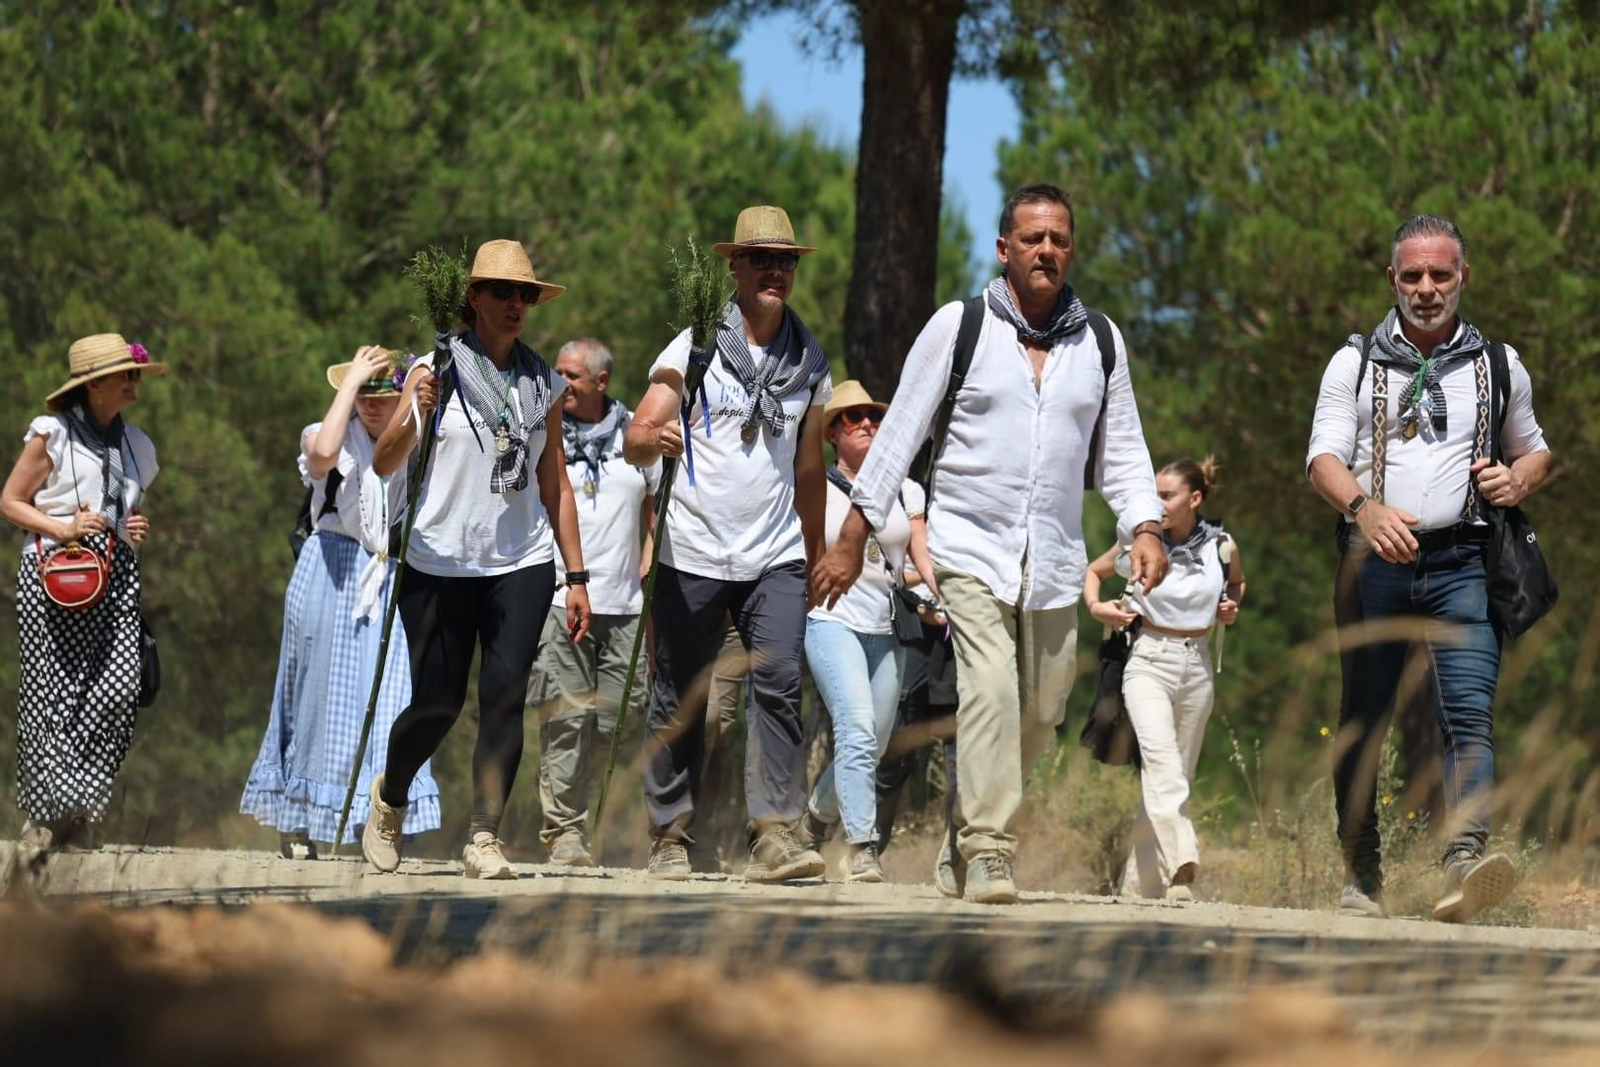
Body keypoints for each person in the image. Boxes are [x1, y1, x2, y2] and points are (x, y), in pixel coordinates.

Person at [812, 183, 1166, 904]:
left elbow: (1124, 450)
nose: (1046, 249)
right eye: (1032, 238)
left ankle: (960, 835)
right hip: (968, 547)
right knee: (992, 694)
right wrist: (852, 534)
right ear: (1004, 248)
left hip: (1054, 560)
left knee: (1041, 710)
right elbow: (901, 433)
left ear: (1072, 251)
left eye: (1059, 239)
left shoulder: (1099, 341)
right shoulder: (960, 326)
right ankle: (988, 846)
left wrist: (1146, 525)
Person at [1307, 214, 1551, 923]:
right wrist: (1364, 508)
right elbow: (1321, 460)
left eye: (1439, 274)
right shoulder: (1352, 361)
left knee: (1470, 714)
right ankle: (1362, 872)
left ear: (1462, 278)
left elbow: (1533, 449)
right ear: (1392, 280)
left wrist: (1519, 481)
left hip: (1463, 562)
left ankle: (1464, 863)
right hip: (1371, 563)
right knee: (1363, 717)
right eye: (1411, 275)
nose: (1425, 288)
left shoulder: (1499, 364)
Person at [360, 239, 591, 879]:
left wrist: (576, 575)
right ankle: (391, 796)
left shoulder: (543, 382)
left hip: (519, 560)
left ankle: (484, 834)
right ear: (474, 300)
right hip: (438, 561)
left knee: (504, 696)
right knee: (438, 701)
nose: (516, 305)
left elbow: (556, 485)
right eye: (502, 293)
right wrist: (415, 412)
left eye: (525, 295)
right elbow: (384, 462)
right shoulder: (433, 370)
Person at [623, 205, 832, 883]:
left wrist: (819, 547)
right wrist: (654, 438)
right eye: (762, 259)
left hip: (775, 552)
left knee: (776, 685)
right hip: (694, 549)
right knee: (679, 693)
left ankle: (774, 832)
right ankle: (670, 835)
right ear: (734, 267)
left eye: (787, 261)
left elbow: (807, 468)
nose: (776, 270)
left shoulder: (810, 365)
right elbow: (636, 434)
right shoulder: (693, 347)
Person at [241, 346, 441, 858]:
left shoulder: (413, 441)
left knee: (392, 695)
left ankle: (379, 816)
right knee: (314, 696)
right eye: (365, 395)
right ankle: (300, 815)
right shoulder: (327, 430)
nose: (373, 405)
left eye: (383, 394)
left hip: (386, 569)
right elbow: (322, 456)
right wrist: (350, 383)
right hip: (329, 565)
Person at [2, 333, 164, 859]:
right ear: (94, 386)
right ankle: (47, 816)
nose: (134, 382)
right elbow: (10, 501)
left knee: (116, 689)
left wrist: (134, 527)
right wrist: (63, 526)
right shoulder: (50, 435)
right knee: (52, 695)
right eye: (125, 374)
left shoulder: (138, 445)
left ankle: (83, 808)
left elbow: (127, 510)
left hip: (115, 577)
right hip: (54, 575)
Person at [1083, 457, 1244, 902]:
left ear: (1194, 499)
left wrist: (1229, 606)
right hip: (1148, 660)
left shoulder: (1221, 545)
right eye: (1154, 494)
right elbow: (1093, 573)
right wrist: (1099, 608)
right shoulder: (1140, 542)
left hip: (1198, 664)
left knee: (1174, 777)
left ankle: (1141, 887)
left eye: (1167, 495)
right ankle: (1183, 860)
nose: (1157, 503)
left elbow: (1236, 585)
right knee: (1162, 765)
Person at [795, 380, 937, 882]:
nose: (868, 425)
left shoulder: (906, 488)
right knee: (855, 731)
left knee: (873, 745)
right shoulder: (814, 483)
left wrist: (937, 595)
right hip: (832, 621)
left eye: (873, 418)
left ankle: (813, 818)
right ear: (832, 432)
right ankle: (862, 848)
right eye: (853, 419)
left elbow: (918, 553)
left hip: (889, 626)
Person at [527, 338, 659, 867]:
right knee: (567, 719)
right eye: (556, 373)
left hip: (625, 603)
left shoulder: (637, 437)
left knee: (616, 719)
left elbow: (655, 506)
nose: (560, 384)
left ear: (601, 382)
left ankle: (589, 815)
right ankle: (564, 833)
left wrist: (652, 558)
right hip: (560, 597)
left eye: (572, 376)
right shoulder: (542, 431)